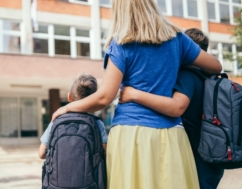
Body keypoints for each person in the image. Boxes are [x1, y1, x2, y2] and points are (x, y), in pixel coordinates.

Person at [51, 0, 222, 188]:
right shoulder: (178, 39)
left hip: (131, 136)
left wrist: (67, 107)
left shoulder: (121, 44)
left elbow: (104, 97)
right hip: (172, 136)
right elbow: (216, 66)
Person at [119, 28, 224, 189]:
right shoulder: (208, 78)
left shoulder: (188, 76)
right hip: (212, 156)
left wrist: (134, 94)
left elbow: (177, 107)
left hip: (198, 160)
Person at [38, 74, 108, 159]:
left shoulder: (56, 120)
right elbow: (104, 153)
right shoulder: (97, 123)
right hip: (91, 172)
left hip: (60, 172)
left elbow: (41, 153)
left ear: (69, 97)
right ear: (93, 101)